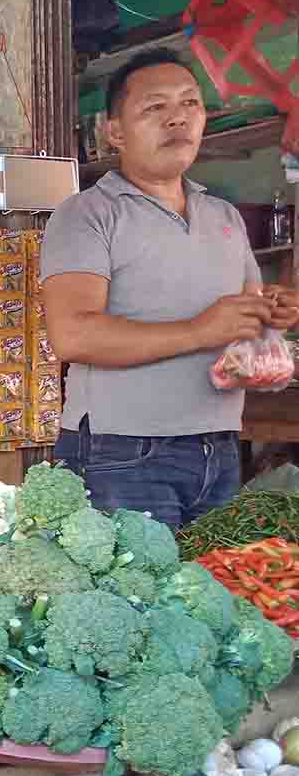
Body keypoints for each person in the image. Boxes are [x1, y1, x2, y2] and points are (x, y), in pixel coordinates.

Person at [42, 47, 299, 527]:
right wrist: (202, 329)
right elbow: (73, 335)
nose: (177, 119)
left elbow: (242, 323)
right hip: (121, 451)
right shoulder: (87, 214)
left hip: (219, 446)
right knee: (132, 599)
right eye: (155, 107)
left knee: (206, 598)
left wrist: (275, 310)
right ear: (115, 132)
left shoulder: (223, 216)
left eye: (190, 104)